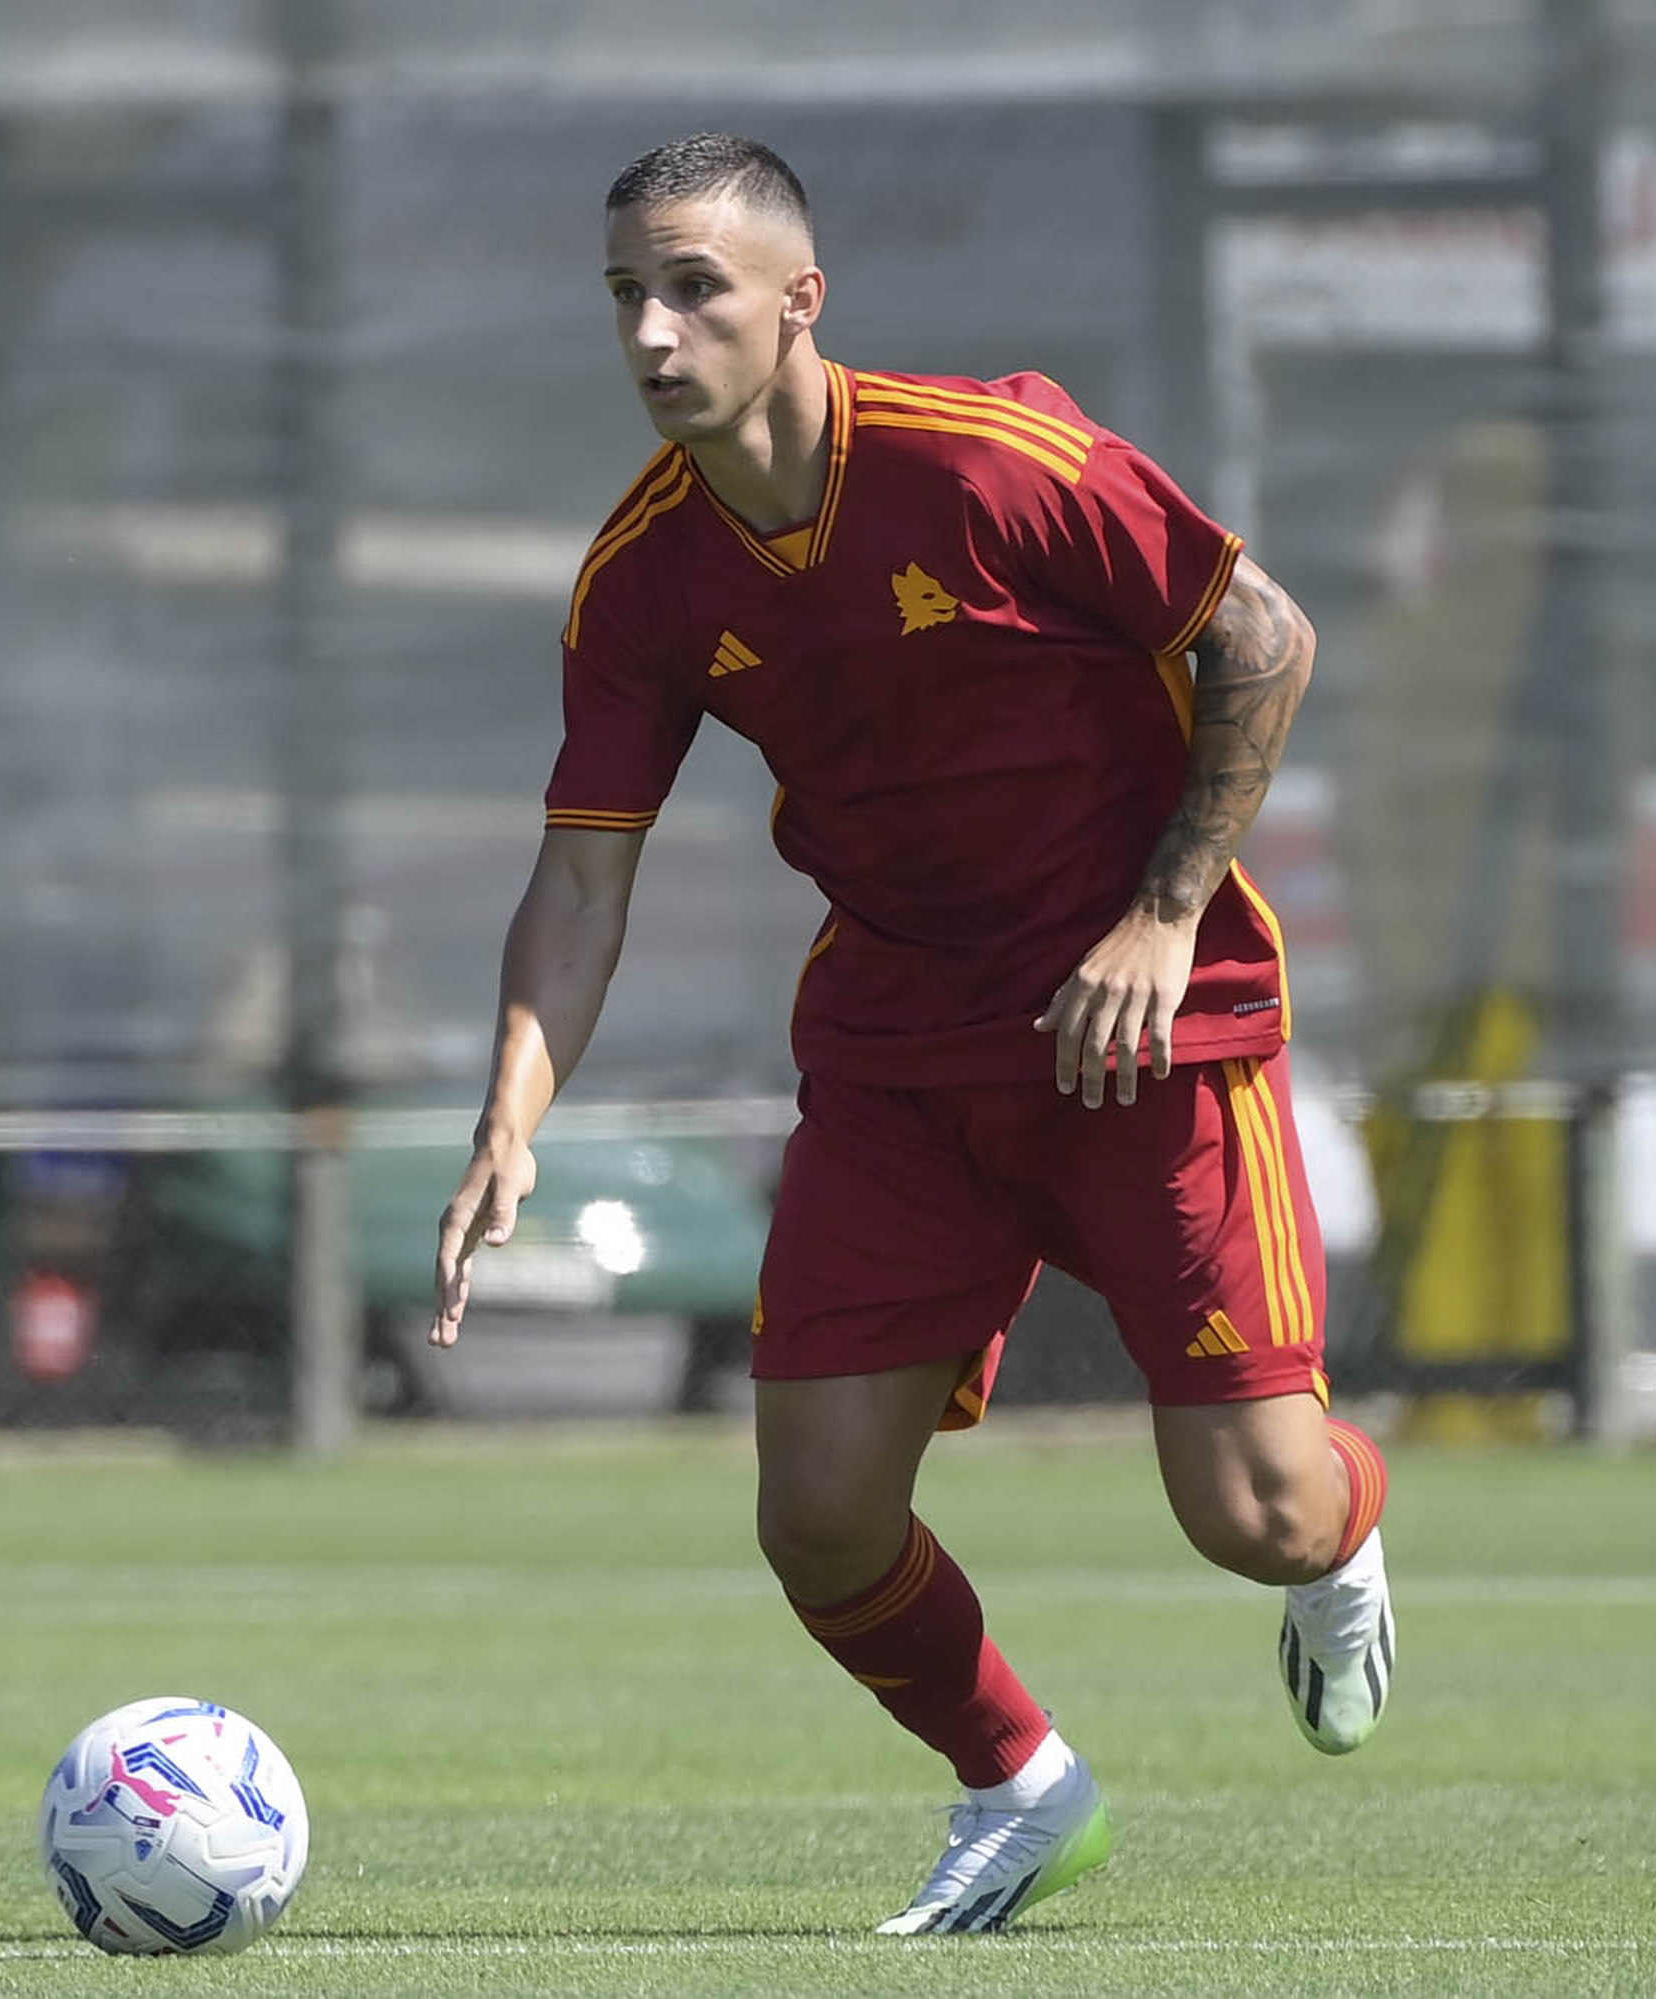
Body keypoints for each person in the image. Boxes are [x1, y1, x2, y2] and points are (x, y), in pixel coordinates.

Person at [430, 133, 1393, 1936]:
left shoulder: (995, 458)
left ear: (802, 302)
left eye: (694, 287)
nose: (653, 330)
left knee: (1253, 1516)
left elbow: (1264, 635)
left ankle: (1339, 1540)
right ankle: (1023, 1786)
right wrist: (510, 1113)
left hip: (1151, 1044)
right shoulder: (641, 583)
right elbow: (578, 885)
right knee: (819, 1517)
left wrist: (1164, 918)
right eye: (625, 294)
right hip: (900, 1066)